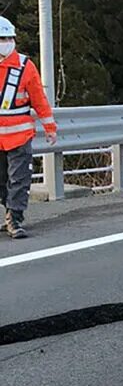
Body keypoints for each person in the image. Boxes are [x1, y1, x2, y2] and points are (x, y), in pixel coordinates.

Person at [0, 16, 58, 238]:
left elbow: (39, 99)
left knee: (19, 179)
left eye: (8, 38)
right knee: (2, 181)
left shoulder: (24, 66)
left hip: (20, 136)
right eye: (1, 38)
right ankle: (8, 213)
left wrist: (49, 126)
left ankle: (15, 219)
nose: (6, 42)